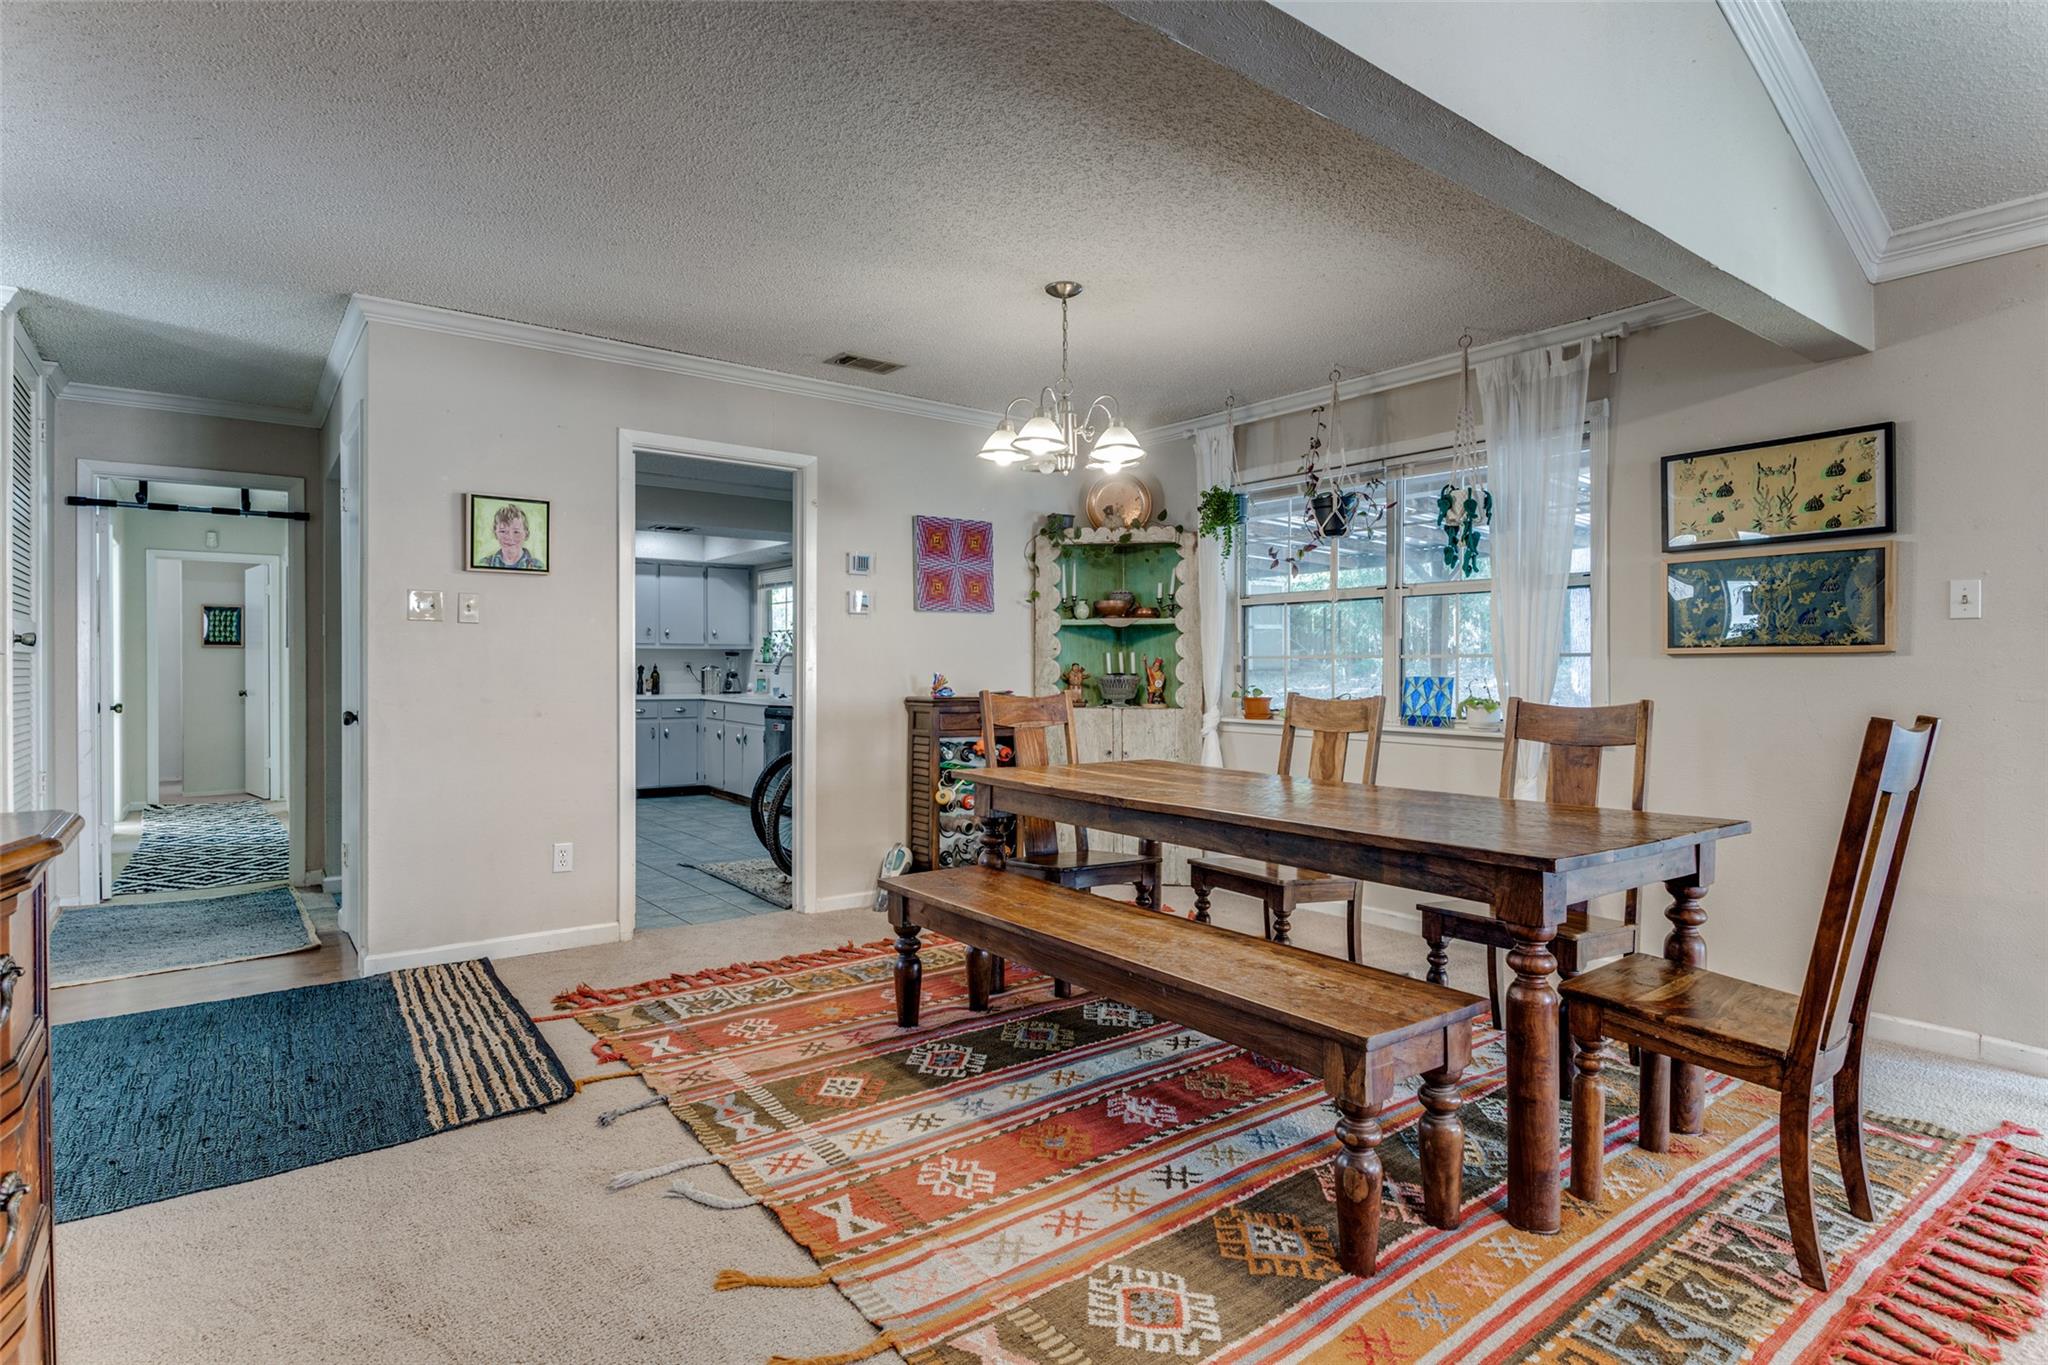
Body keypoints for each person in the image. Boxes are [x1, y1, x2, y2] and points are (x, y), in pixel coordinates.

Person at [480, 503, 544, 570]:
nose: (509, 537)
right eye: (503, 531)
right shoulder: (485, 564)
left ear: (526, 534)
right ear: (495, 533)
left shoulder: (538, 567)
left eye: (516, 532)